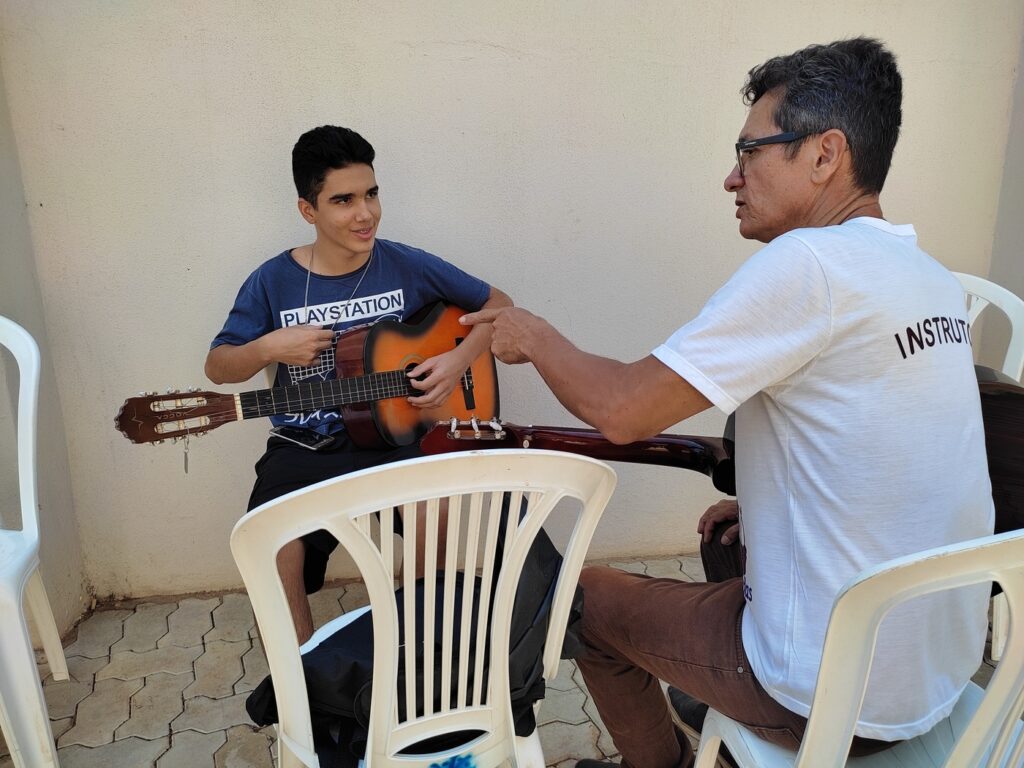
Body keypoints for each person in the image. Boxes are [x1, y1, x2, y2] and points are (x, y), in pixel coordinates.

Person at [462, 38, 993, 768]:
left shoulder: (809, 264)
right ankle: (716, 693)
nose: (731, 177)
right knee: (726, 540)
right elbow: (888, 448)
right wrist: (764, 506)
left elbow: (623, 409)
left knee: (582, 601)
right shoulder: (924, 274)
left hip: (834, 697)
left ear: (824, 154)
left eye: (749, 152)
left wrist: (535, 336)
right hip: (939, 669)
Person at [207, 125, 512, 644]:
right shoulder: (272, 281)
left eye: (371, 194)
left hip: (398, 437)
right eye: (343, 200)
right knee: (267, 539)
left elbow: (498, 305)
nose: (364, 213)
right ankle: (301, 674)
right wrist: (267, 348)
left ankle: (416, 651)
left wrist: (457, 360)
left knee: (438, 508)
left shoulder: (405, 264)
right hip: (306, 442)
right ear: (308, 210)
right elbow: (219, 366)